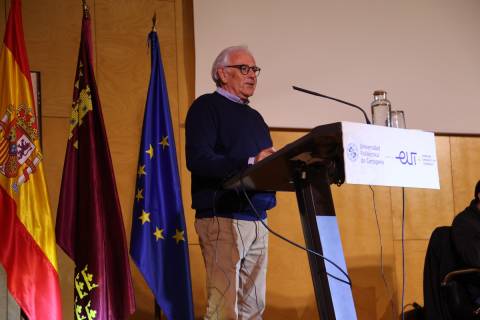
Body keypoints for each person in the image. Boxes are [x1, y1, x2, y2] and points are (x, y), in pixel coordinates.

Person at [185, 46, 276, 320]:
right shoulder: (205, 107)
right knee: (223, 309)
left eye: (255, 70)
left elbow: (264, 164)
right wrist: (249, 162)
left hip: (258, 218)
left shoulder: (256, 118)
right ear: (222, 73)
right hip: (221, 217)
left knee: (254, 308)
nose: (252, 75)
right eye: (244, 69)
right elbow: (199, 160)